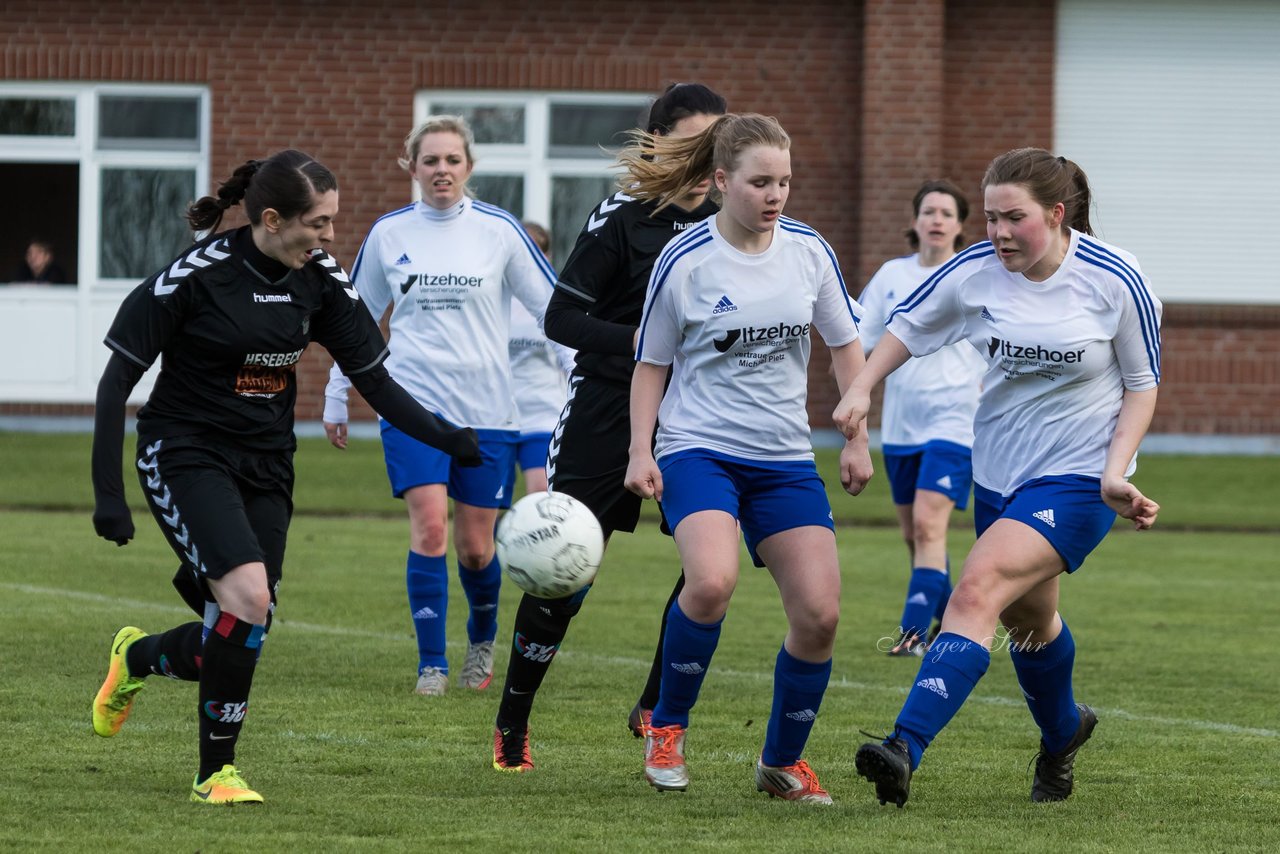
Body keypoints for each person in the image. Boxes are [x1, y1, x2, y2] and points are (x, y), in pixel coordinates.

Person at [89, 149, 481, 805]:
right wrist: (109, 498)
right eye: (318, 224)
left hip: (266, 462)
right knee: (244, 603)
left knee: (245, 621)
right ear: (271, 219)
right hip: (185, 451)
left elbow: (374, 378)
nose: (330, 238)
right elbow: (115, 382)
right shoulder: (195, 277)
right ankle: (215, 773)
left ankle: (138, 658)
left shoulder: (320, 279)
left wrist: (447, 437)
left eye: (332, 222)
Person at [835, 147, 1162, 807]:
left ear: (1058, 214)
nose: (998, 233)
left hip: (1081, 478)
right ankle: (1064, 733)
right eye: (989, 218)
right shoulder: (976, 272)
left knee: (977, 587)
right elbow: (907, 326)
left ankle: (903, 746)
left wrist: (1111, 472)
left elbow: (1142, 384)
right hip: (1000, 475)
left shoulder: (1115, 279)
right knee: (1030, 623)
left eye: (1014, 218)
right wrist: (864, 388)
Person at [624, 113, 873, 803]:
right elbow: (650, 365)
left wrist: (856, 435)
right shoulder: (685, 262)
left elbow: (845, 346)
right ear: (720, 181)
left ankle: (781, 763)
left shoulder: (808, 253)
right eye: (760, 181)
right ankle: (666, 726)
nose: (775, 195)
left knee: (820, 613)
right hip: (697, 447)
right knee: (709, 582)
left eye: (785, 182)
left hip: (783, 457)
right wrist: (640, 449)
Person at [489, 83, 726, 773]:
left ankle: (655, 703)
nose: (707, 153)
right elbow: (560, 318)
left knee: (707, 570)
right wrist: (646, 344)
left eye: (717, 139)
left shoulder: (729, 222)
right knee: (567, 575)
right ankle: (513, 720)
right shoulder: (621, 219)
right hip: (604, 411)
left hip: (699, 418)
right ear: (659, 142)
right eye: (693, 139)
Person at [322, 116, 570, 698]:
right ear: (411, 167)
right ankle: (431, 663)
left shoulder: (500, 231)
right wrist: (338, 390)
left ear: (469, 168)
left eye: (452, 161)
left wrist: (576, 377)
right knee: (431, 527)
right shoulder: (389, 234)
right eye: (430, 161)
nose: (441, 171)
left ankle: (480, 640)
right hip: (411, 407)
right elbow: (353, 323)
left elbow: (551, 311)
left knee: (476, 546)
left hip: (489, 412)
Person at [856, 180, 985, 656]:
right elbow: (858, 338)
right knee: (915, 536)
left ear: (959, 225)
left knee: (931, 527)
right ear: (914, 222)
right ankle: (957, 623)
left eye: (946, 213)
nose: (936, 220)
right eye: (928, 211)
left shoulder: (973, 277)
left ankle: (911, 635)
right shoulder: (892, 276)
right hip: (901, 426)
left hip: (956, 421)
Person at [504, 221, 567, 496]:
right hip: (497, 416)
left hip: (543, 414)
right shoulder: (494, 299)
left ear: (547, 257)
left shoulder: (557, 303)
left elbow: (573, 359)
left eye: (535, 252)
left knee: (541, 492)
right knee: (490, 504)